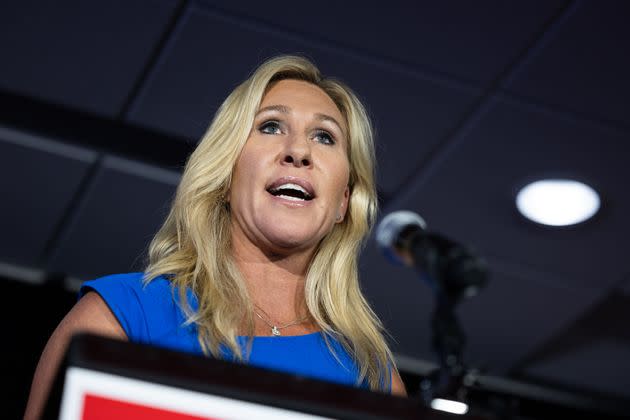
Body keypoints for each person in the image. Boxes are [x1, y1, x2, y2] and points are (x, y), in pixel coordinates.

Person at [24, 54, 407, 419]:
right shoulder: (122, 319)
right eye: (270, 126)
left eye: (325, 136)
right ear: (226, 177)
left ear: (343, 201)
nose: (299, 151)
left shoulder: (372, 376)